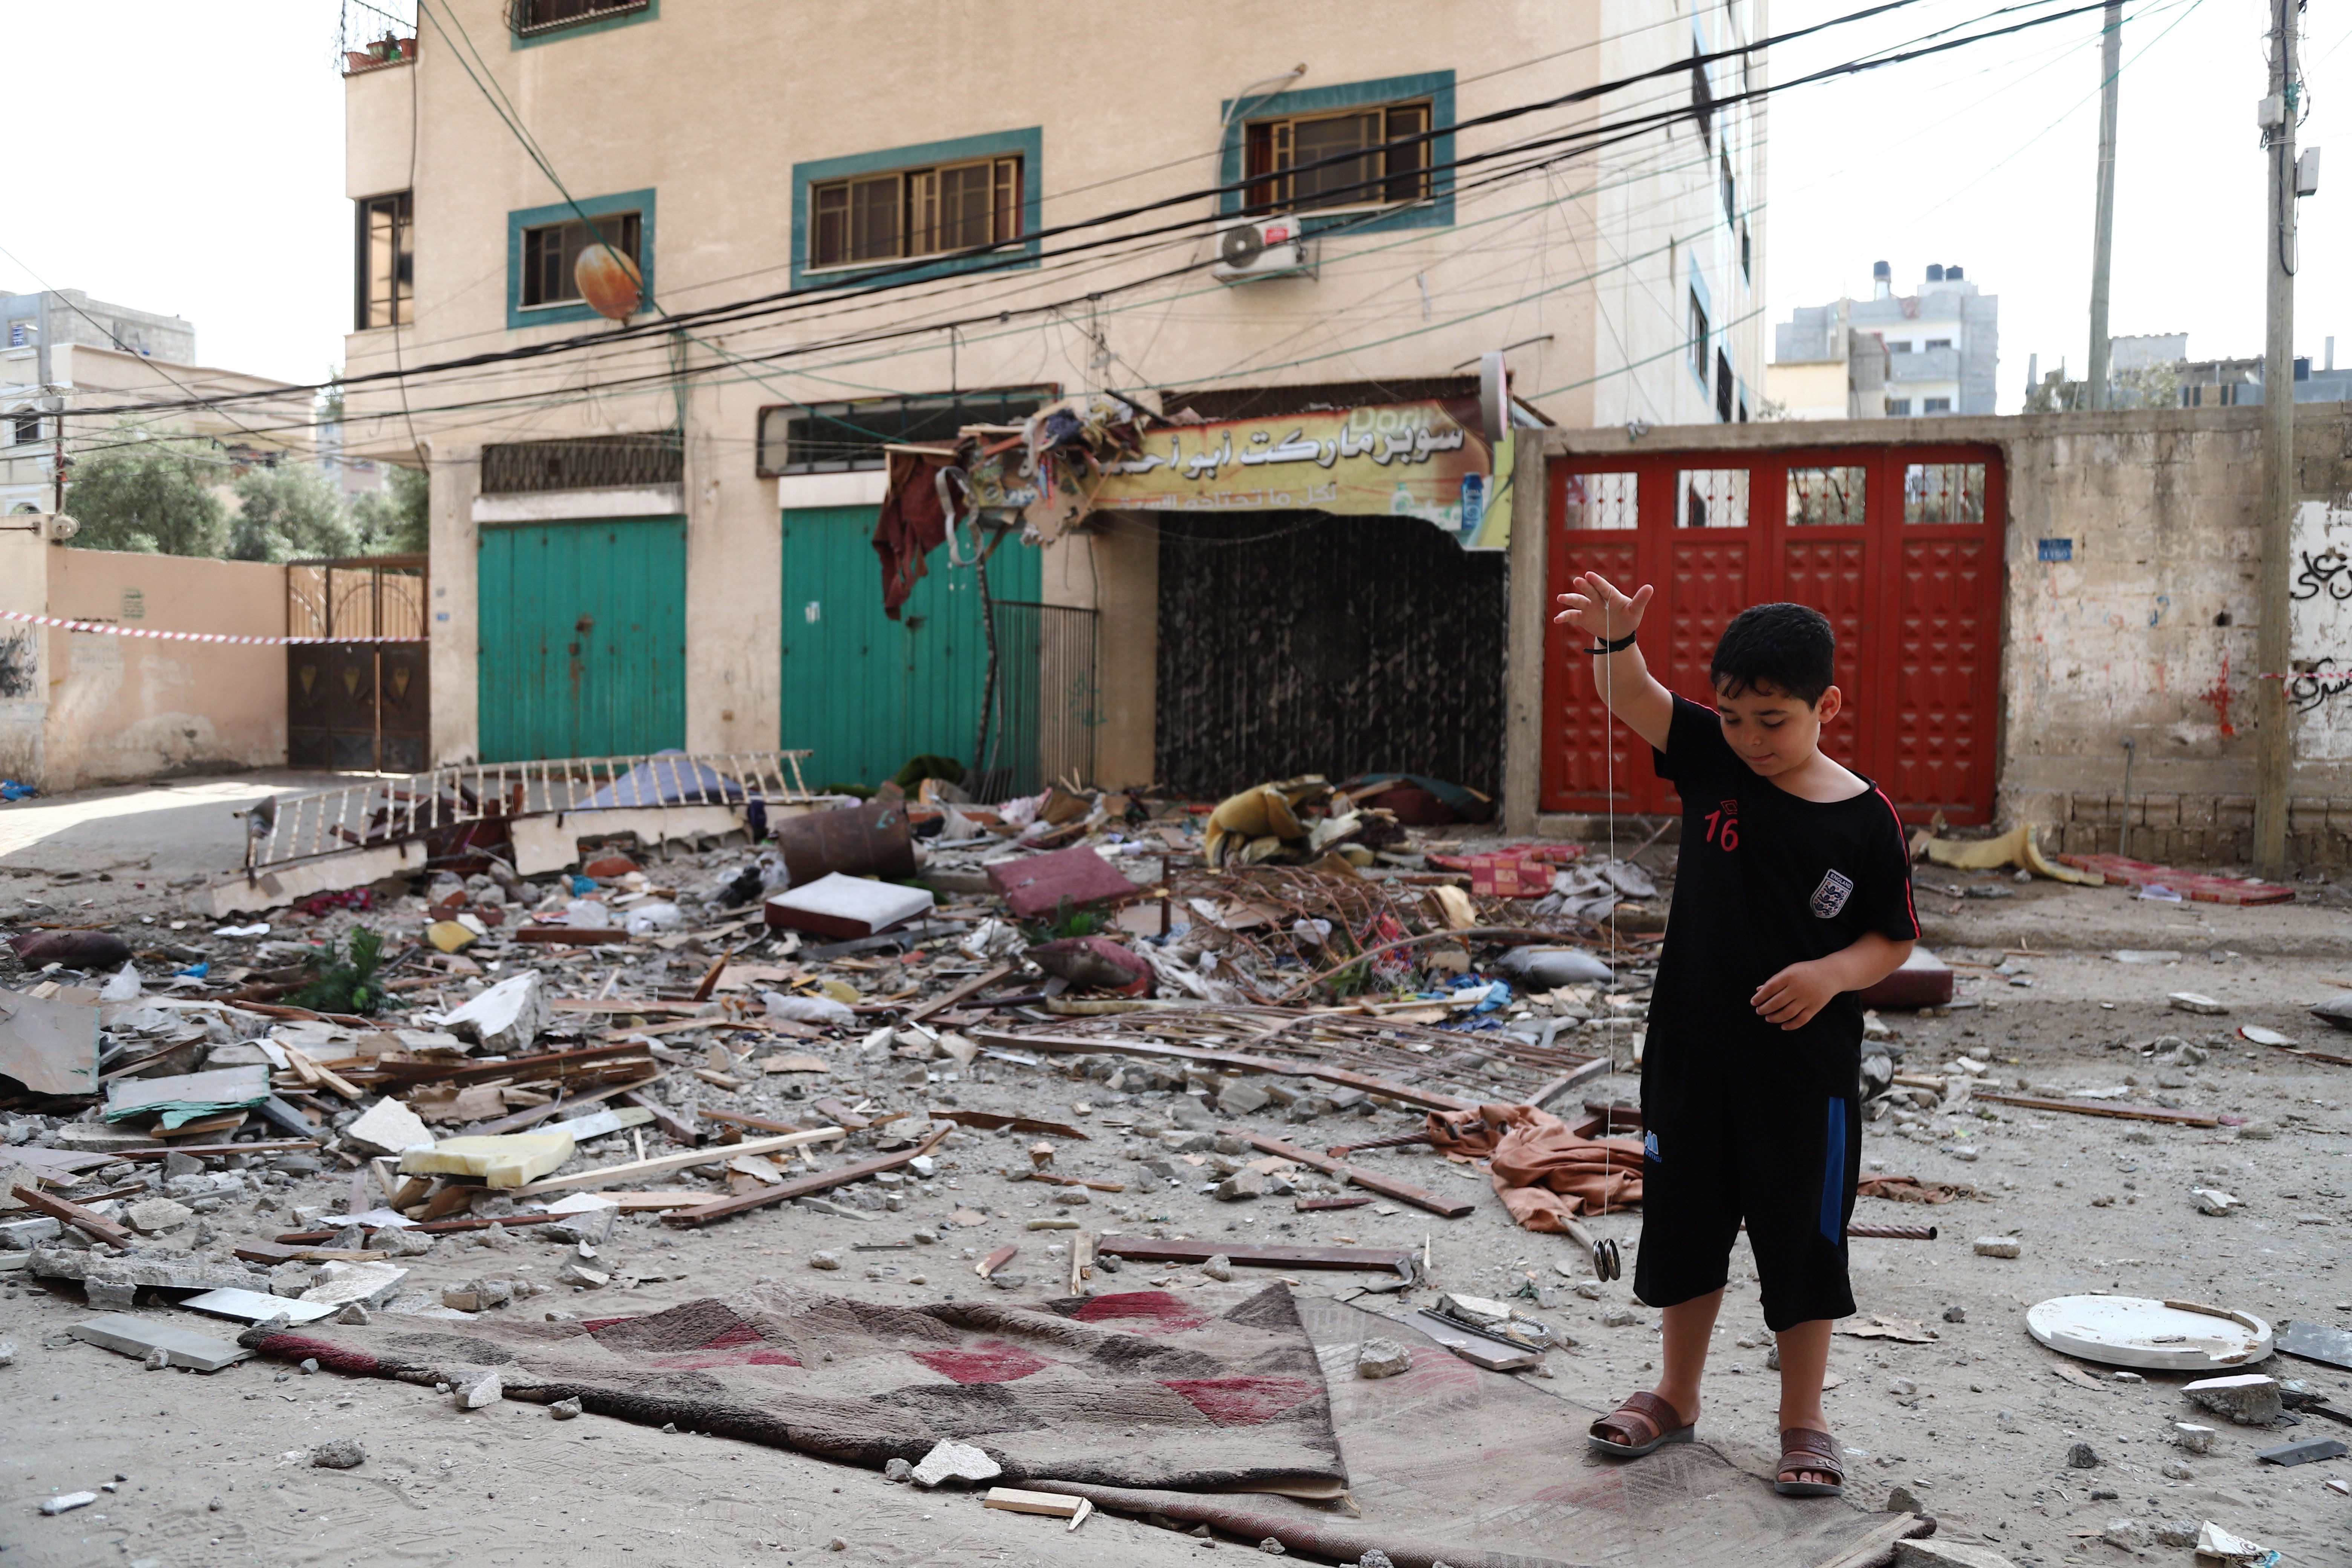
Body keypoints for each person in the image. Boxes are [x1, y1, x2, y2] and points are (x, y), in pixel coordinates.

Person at [1550, 574, 1919, 1499]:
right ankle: (1676, 1394)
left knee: (1802, 1243)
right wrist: (1616, 643)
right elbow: (1634, 698)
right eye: (1736, 716)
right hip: (1690, 1052)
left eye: (1774, 720)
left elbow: (1892, 936)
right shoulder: (1713, 756)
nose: (1752, 738)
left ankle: (1805, 1419)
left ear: (1826, 705)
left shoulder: (1866, 818)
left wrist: (1831, 974)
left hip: (1805, 1074)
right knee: (1685, 1226)